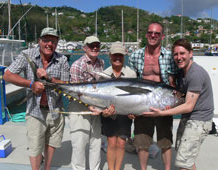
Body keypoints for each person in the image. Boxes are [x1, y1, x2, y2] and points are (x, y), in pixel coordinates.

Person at [3, 27, 70, 170]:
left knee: (51, 144)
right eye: (46, 40)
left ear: (57, 43)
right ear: (39, 41)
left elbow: (66, 84)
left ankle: (47, 167)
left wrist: (49, 78)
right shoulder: (27, 55)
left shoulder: (62, 59)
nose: (49, 44)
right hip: (35, 110)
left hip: (56, 110)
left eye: (53, 41)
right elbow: (8, 75)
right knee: (35, 145)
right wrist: (31, 84)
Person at [143, 38, 214, 170]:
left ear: (190, 53)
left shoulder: (195, 74)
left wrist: (161, 113)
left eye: (182, 53)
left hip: (199, 120)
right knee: (186, 158)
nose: (179, 57)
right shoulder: (182, 72)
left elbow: (188, 106)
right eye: (175, 54)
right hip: (188, 118)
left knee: (183, 162)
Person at [128, 22, 178, 170]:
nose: (153, 35)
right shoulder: (135, 55)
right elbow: (131, 84)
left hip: (163, 104)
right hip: (142, 104)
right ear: (146, 34)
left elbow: (175, 82)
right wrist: (131, 107)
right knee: (142, 141)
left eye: (157, 33)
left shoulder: (169, 56)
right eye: (150, 32)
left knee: (165, 142)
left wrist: (173, 104)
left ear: (162, 36)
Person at [68, 35, 115, 170]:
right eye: (91, 46)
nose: (95, 48)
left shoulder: (101, 63)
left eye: (97, 46)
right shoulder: (77, 65)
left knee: (96, 142)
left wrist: (101, 107)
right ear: (85, 48)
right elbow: (76, 92)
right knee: (79, 145)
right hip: (79, 107)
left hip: (96, 108)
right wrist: (92, 106)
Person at [101, 41, 136, 170]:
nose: (117, 58)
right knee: (111, 142)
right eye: (115, 55)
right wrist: (103, 111)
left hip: (125, 112)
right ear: (110, 56)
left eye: (120, 55)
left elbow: (134, 97)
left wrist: (134, 113)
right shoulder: (104, 74)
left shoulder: (131, 74)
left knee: (121, 143)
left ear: (124, 56)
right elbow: (100, 98)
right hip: (109, 111)